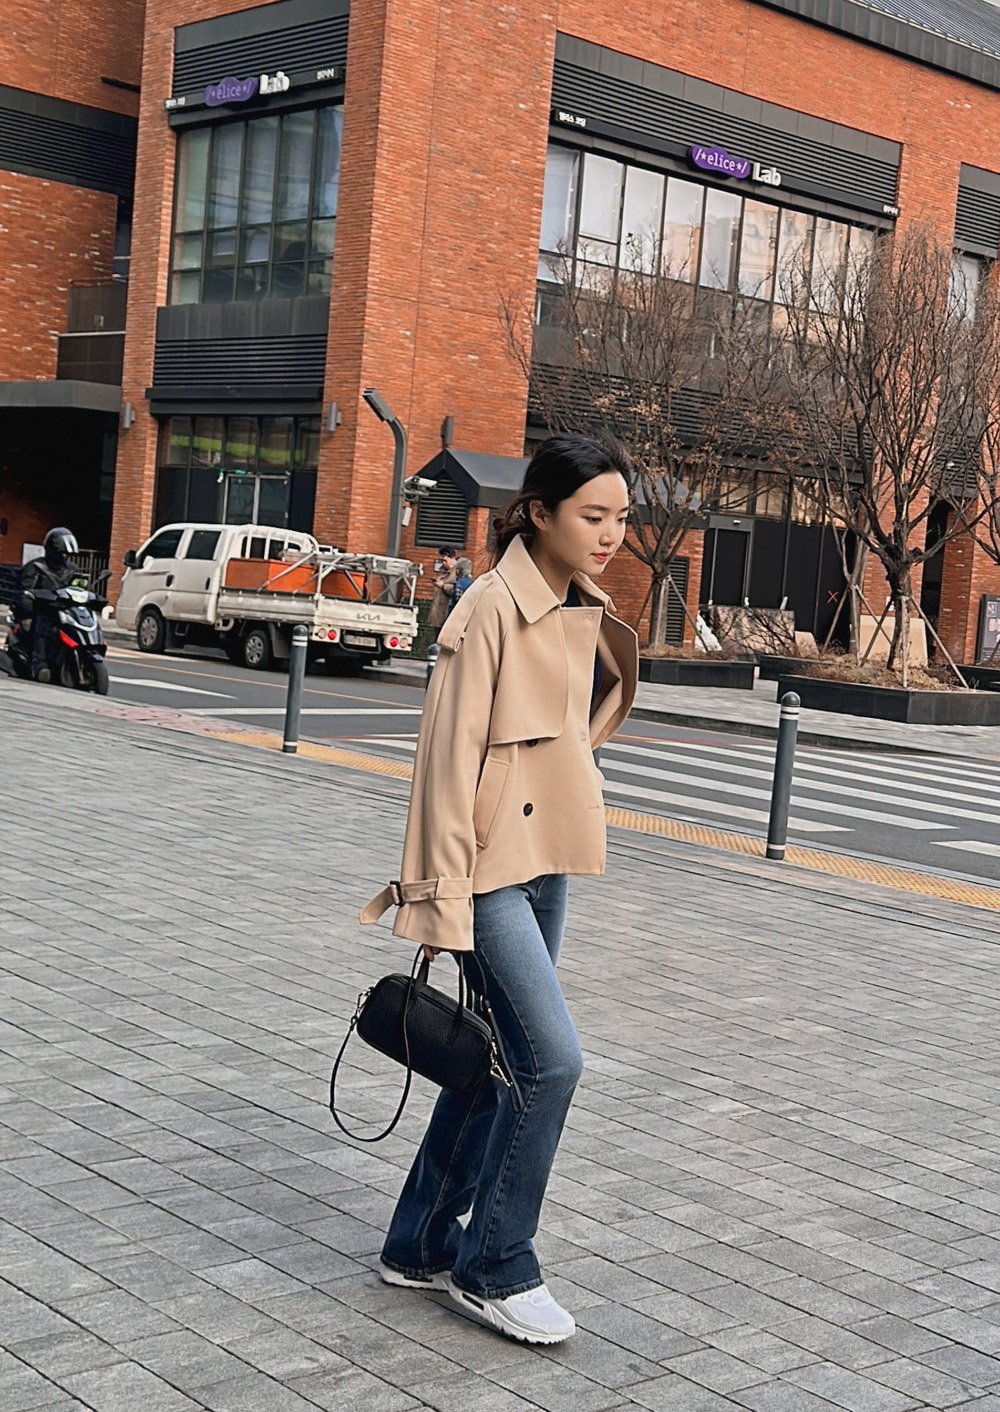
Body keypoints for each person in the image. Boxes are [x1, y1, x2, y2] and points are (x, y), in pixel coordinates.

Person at [360, 435, 638, 1345]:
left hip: (542, 862)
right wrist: (438, 897)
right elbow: (444, 768)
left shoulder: (580, 603)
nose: (610, 534)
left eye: (620, 518)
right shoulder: (488, 608)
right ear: (540, 513)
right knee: (552, 1063)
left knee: (501, 1059)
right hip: (484, 874)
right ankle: (495, 1265)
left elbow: (572, 729)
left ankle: (418, 1243)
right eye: (592, 516)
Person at [20, 527, 82, 682]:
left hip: (65, 611)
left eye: (65, 553)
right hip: (42, 611)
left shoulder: (72, 569)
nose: (64, 556)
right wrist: (31, 603)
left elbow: (80, 589)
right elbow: (25, 591)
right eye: (60, 552)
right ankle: (39, 665)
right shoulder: (35, 567)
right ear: (51, 549)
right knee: (43, 626)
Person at [427, 547, 459, 639]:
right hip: (439, 613)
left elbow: (459, 589)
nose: (444, 563)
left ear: (453, 558)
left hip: (447, 614)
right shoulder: (442, 571)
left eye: (445, 560)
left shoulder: (458, 572)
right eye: (442, 561)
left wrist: (444, 586)